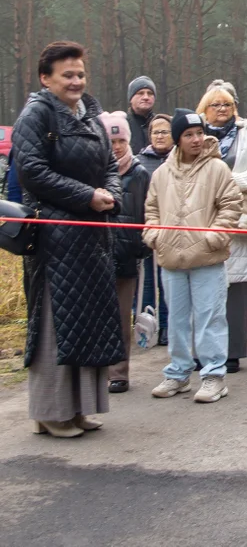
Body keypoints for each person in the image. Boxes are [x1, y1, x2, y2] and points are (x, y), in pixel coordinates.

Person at [13, 41, 124, 438]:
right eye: (68, 75)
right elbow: (32, 172)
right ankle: (51, 412)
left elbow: (111, 165)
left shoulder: (92, 116)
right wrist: (86, 196)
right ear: (46, 78)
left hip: (93, 235)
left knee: (89, 321)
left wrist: (112, 193)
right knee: (55, 324)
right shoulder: (37, 113)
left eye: (80, 74)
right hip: (54, 238)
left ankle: (77, 409)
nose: (76, 81)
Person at [146, 109, 242, 403]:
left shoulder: (218, 169)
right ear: (178, 139)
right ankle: (178, 373)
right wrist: (155, 236)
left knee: (210, 318)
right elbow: (151, 211)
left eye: (200, 133)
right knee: (176, 321)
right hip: (172, 259)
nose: (197, 139)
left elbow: (231, 206)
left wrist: (215, 235)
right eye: (189, 134)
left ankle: (214, 376)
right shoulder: (161, 173)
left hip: (208, 259)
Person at [198, 82, 247, 373]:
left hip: (237, 220)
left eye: (227, 104)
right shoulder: (195, 132)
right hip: (202, 219)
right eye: (216, 105)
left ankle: (233, 352)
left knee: (236, 291)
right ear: (205, 108)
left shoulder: (245, 133)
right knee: (202, 289)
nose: (222, 110)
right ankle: (202, 351)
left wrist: (222, 181)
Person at [100, 111, 151, 394]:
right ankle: (97, 369)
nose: (116, 146)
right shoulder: (94, 172)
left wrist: (140, 244)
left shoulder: (139, 172)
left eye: (120, 140)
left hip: (127, 254)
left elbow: (148, 210)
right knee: (97, 315)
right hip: (97, 254)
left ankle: (119, 372)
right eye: (111, 140)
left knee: (121, 316)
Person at [137, 114, 174, 345]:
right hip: (147, 230)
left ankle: (167, 328)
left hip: (171, 232)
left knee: (167, 281)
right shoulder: (140, 161)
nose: (160, 136)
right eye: (155, 132)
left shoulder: (178, 159)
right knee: (147, 282)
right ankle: (145, 329)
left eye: (164, 131)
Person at [126, 76, 157, 155]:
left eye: (150, 93)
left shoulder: (161, 123)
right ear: (131, 98)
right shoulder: (123, 124)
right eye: (140, 93)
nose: (146, 97)